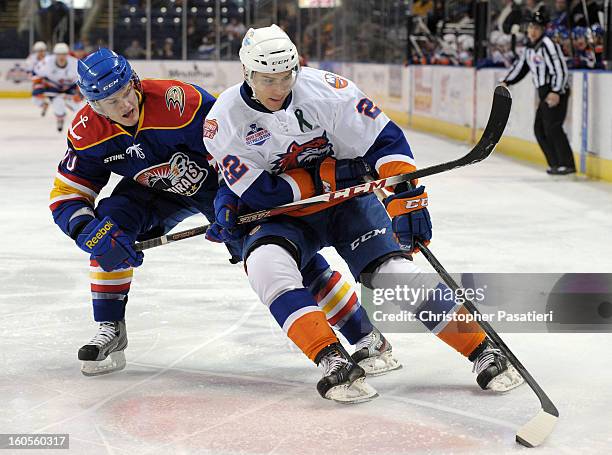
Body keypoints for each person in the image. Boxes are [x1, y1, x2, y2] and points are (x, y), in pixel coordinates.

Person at [203, 24, 524, 403]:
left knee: (393, 274)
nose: (278, 88)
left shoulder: (329, 91)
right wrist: (331, 174)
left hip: (347, 204)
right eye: (266, 79)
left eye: (286, 76)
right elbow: (263, 193)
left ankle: (481, 348)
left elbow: (385, 142)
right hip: (283, 215)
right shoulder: (223, 120)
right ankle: (332, 359)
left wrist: (405, 195)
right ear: (246, 72)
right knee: (264, 265)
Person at [48, 48, 393, 383]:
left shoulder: (180, 101)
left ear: (134, 81)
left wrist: (231, 204)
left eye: (126, 92)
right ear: (94, 106)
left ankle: (364, 334)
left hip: (220, 185)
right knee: (107, 232)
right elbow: (68, 196)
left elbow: (237, 144)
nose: (125, 105)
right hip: (149, 191)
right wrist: (88, 233)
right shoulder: (86, 132)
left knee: (277, 251)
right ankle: (110, 327)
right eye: (111, 102)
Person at [502, 11, 575, 175]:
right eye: (530, 27)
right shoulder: (529, 47)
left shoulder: (548, 44)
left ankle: (567, 164)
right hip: (544, 93)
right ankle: (556, 163)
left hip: (555, 91)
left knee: (553, 127)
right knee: (540, 129)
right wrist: (506, 81)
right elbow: (521, 67)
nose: (532, 31)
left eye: (537, 28)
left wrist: (556, 91)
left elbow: (560, 69)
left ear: (543, 29)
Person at [33, 43, 82, 131]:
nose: (61, 57)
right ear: (55, 54)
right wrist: (38, 88)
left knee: (79, 109)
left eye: (63, 54)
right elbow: (36, 76)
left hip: (70, 88)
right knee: (56, 103)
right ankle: (60, 118)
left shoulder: (75, 63)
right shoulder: (46, 62)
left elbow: (83, 80)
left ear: (67, 54)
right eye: (59, 54)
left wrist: (80, 93)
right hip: (53, 88)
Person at [24, 41, 49, 116]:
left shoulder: (49, 58)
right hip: (38, 81)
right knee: (34, 99)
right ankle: (44, 104)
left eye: (42, 51)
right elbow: (28, 72)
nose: (41, 53)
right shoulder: (31, 59)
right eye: (39, 51)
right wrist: (34, 78)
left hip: (50, 80)